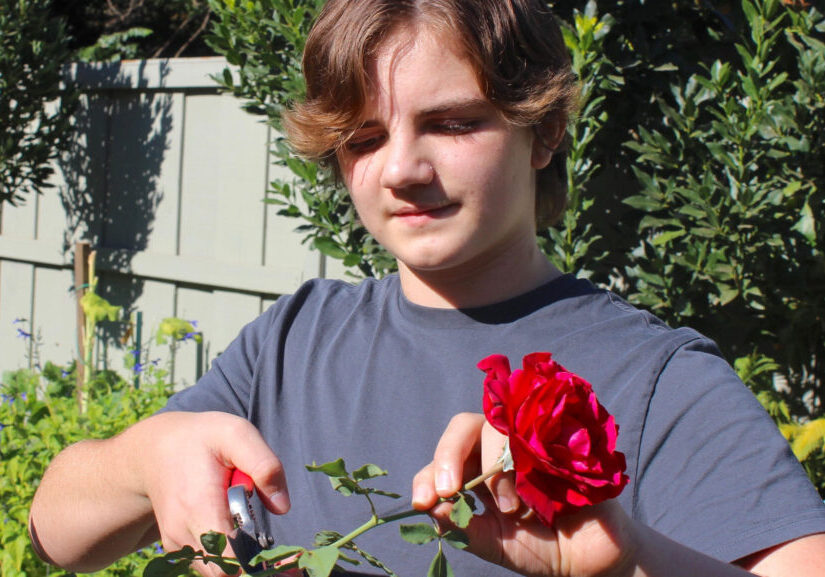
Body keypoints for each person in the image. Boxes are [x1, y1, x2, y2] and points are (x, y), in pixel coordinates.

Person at [29, 1, 825, 576]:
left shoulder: (658, 380)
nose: (403, 169)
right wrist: (146, 454)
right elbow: (55, 532)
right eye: (365, 137)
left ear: (541, 129)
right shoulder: (295, 339)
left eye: (450, 123)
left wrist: (631, 561)